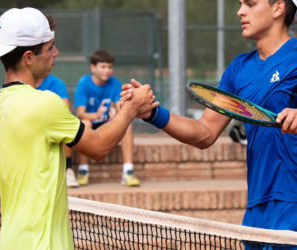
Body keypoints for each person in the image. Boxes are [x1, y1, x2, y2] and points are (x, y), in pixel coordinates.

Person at [121, 0, 297, 232]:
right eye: (241, 4)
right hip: (257, 207)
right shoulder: (239, 68)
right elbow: (204, 132)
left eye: (251, 4)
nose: (240, 11)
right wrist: (153, 113)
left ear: (278, 8)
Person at [0, 7, 156, 250]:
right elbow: (99, 146)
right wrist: (131, 109)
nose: (56, 53)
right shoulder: (44, 103)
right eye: (50, 48)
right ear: (28, 58)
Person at [74, 49, 140, 187]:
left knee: (127, 124)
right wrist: (96, 115)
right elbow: (80, 113)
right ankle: (83, 170)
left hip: (107, 123)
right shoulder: (84, 83)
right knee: (85, 123)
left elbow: (119, 107)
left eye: (110, 67)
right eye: (103, 67)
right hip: (91, 123)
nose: (107, 70)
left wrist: (116, 114)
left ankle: (128, 171)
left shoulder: (115, 83)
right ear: (93, 67)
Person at [36, 74, 79, 187]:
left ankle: (68, 169)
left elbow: (66, 112)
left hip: (52, 124)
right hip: (32, 127)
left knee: (64, 128)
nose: (55, 55)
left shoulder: (57, 83)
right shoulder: (21, 86)